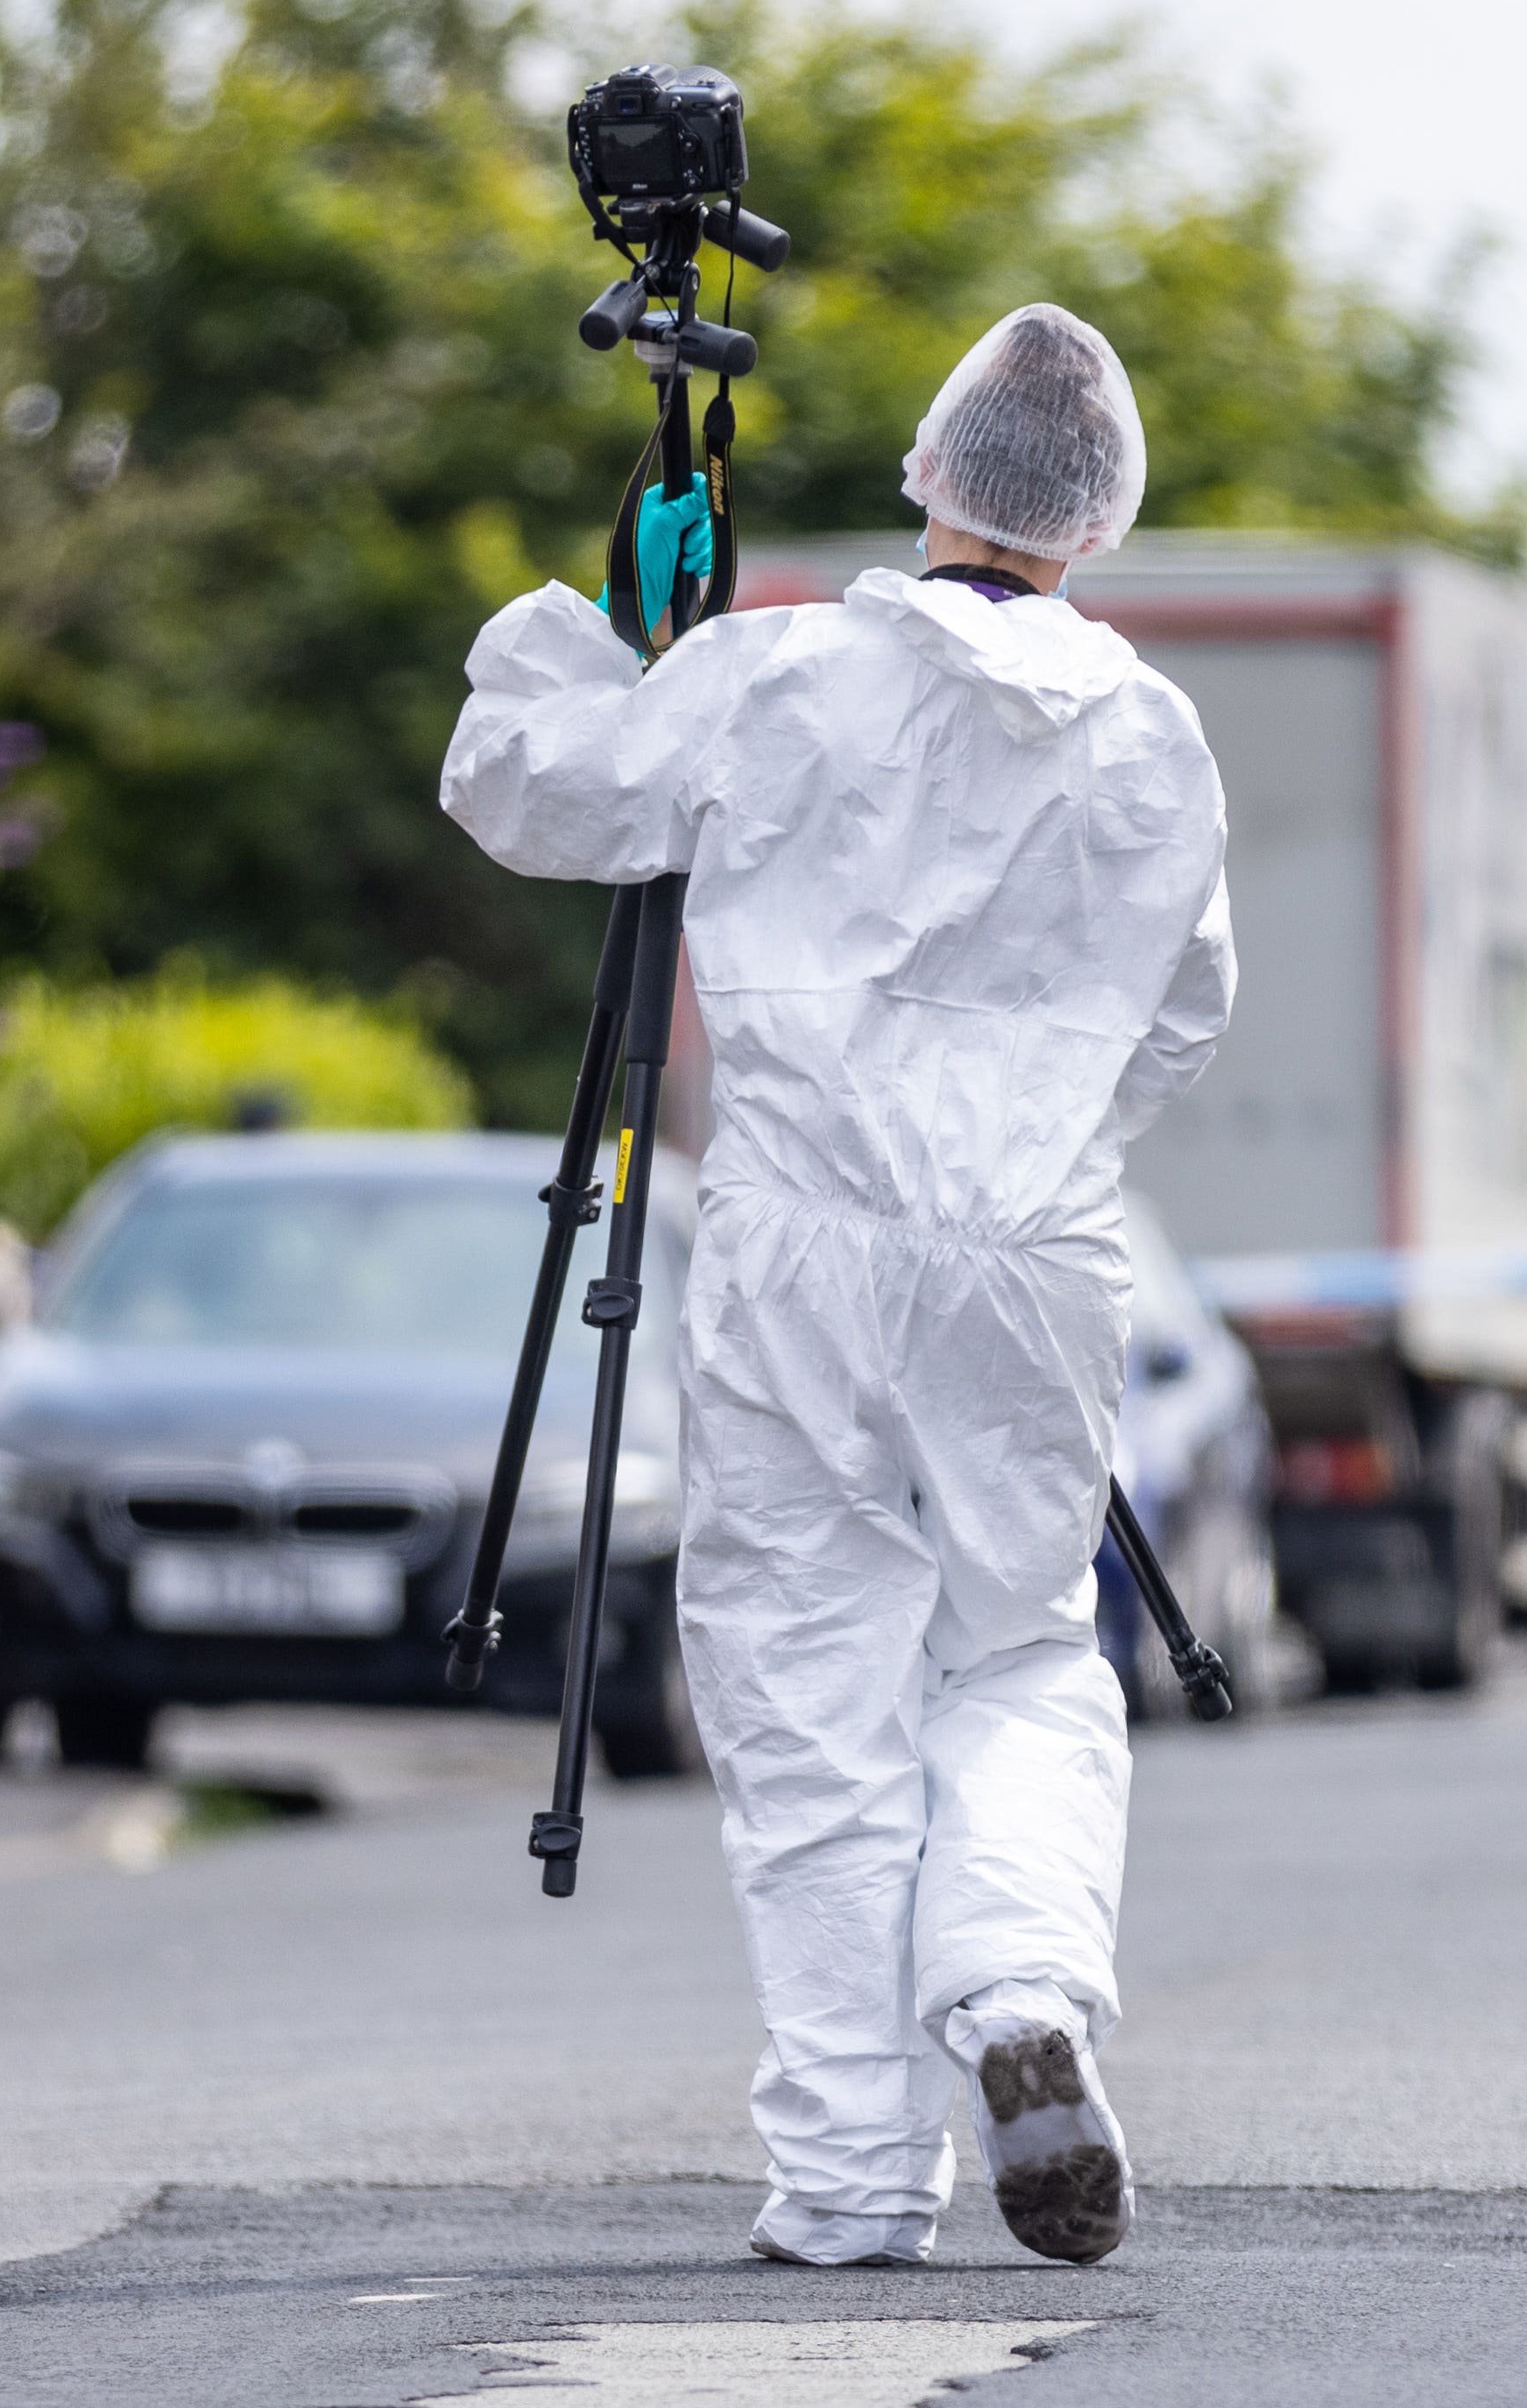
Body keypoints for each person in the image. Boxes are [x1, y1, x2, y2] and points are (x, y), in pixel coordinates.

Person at [440, 303, 1234, 2269]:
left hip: (799, 1239)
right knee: (1020, 1652)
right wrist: (1030, 1131)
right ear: (1101, 521)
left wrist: (610, 620)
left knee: (810, 1691)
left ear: (923, 472)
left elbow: (525, 785)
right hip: (1033, 1250)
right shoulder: (1153, 736)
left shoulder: (779, 673)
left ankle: (854, 2177)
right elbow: (1181, 1017)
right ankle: (1017, 1988)